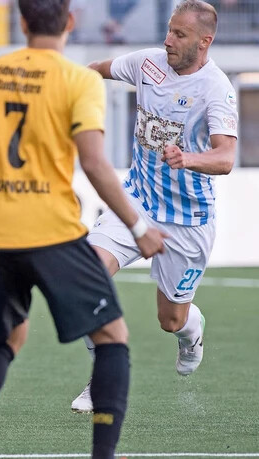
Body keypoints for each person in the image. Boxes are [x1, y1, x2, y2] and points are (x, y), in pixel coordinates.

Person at [0, 0, 166, 457]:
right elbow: (95, 164)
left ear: (22, 22)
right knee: (112, 337)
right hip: (51, 230)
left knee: (7, 338)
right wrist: (138, 226)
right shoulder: (78, 79)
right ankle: (104, 454)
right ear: (71, 21)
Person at [70, 0, 237, 413]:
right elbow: (95, 71)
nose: (168, 41)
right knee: (87, 277)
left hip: (187, 221)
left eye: (179, 35)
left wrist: (187, 159)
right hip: (136, 202)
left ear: (204, 42)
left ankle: (190, 333)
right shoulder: (148, 64)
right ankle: (101, 380)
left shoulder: (216, 89)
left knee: (171, 320)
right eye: (169, 30)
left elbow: (226, 157)